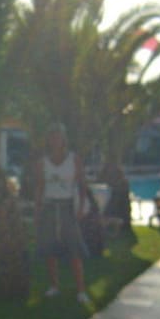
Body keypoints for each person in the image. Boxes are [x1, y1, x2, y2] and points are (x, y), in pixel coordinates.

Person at [35, 122, 91, 306]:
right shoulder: (42, 162)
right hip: (49, 207)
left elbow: (82, 184)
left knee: (74, 249)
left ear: (64, 139)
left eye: (58, 136)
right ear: (48, 140)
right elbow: (40, 188)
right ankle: (54, 286)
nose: (55, 140)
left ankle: (81, 290)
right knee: (49, 249)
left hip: (67, 207)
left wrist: (81, 207)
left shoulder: (74, 159)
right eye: (52, 137)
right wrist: (37, 211)